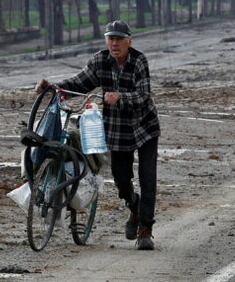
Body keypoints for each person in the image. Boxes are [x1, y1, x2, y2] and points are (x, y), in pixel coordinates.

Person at [36, 20, 160, 250]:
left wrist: (121, 97)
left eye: (119, 39)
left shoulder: (139, 61)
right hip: (118, 130)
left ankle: (145, 231)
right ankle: (134, 208)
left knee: (147, 178)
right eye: (111, 38)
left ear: (128, 41)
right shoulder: (99, 61)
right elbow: (80, 82)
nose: (115, 43)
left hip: (144, 128)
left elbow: (144, 95)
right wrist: (54, 87)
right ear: (106, 41)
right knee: (122, 180)